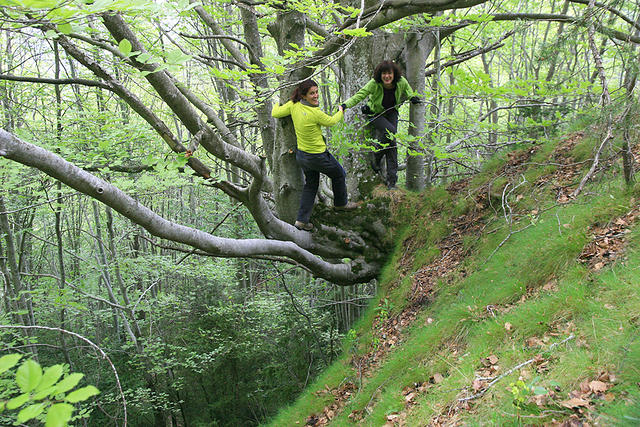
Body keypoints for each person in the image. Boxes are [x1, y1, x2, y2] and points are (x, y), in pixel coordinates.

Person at [272, 79, 357, 231]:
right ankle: (340, 204)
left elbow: (275, 113)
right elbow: (331, 121)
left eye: (317, 92)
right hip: (318, 156)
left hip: (303, 156)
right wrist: (341, 111)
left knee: (311, 185)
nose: (316, 95)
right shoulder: (315, 113)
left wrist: (276, 104)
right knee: (339, 174)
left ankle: (301, 220)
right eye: (312, 93)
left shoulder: (293, 106)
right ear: (303, 95)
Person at [343, 60, 421, 189]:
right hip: (375, 113)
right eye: (384, 73)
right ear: (380, 75)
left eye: (389, 73)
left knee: (392, 144)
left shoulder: (401, 81)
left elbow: (408, 91)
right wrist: (345, 105)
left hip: (391, 112)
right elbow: (360, 95)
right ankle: (377, 156)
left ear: (394, 74)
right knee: (391, 132)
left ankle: (391, 180)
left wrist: (412, 97)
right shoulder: (374, 83)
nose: (387, 76)